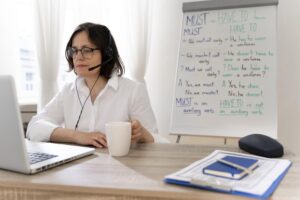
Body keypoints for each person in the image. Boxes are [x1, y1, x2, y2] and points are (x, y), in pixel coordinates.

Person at [26, 22, 158, 148]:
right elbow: (34, 127)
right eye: (74, 50)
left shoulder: (133, 91)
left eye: (86, 50)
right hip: (77, 169)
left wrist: (143, 134)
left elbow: (157, 141)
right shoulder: (68, 91)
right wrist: (77, 136)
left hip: (120, 168)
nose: (78, 57)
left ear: (106, 54)